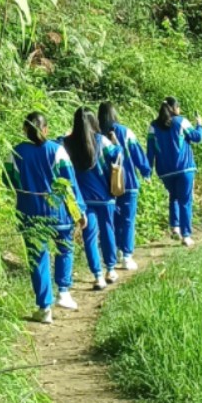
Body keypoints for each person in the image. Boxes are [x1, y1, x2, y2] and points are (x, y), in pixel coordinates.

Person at [4, 112, 87, 324]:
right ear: (46, 129)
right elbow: (70, 183)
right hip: (59, 212)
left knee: (38, 258)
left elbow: (8, 180)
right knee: (65, 248)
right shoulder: (57, 150)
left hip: (30, 212)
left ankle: (44, 307)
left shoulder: (16, 152)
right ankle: (64, 292)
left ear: (25, 130)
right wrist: (80, 212)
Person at [58, 107, 123, 290]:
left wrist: (65, 135)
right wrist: (116, 143)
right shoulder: (100, 140)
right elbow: (117, 154)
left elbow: (55, 144)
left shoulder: (67, 143)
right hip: (105, 197)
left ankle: (97, 276)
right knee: (108, 231)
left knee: (90, 237)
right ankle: (110, 268)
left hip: (83, 200)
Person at [98, 102, 151, 270]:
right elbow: (136, 152)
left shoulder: (96, 133)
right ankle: (127, 256)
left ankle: (115, 253)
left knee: (111, 221)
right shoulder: (124, 131)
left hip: (106, 185)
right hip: (127, 182)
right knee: (128, 220)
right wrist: (146, 171)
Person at [147, 97, 202, 247]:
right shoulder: (181, 121)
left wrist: (148, 170)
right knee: (185, 201)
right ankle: (186, 235)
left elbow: (150, 151)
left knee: (174, 197)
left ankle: (175, 227)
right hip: (184, 168)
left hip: (165, 172)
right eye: (178, 106)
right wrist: (200, 125)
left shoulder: (153, 126)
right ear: (174, 108)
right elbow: (197, 137)